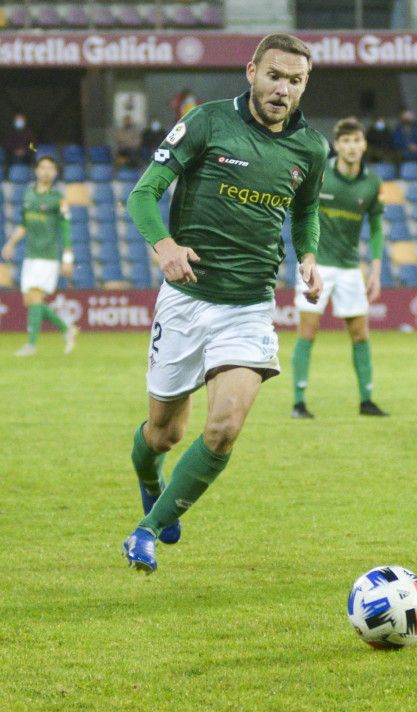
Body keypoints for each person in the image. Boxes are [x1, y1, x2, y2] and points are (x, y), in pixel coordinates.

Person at [120, 33, 328, 574]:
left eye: (296, 80)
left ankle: (144, 532)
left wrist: (308, 255)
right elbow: (142, 194)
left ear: (305, 85)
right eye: (275, 75)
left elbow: (305, 211)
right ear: (252, 70)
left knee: (224, 428)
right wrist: (164, 246)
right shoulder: (208, 122)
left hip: (250, 305)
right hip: (186, 302)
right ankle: (149, 476)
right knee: (164, 433)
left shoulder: (311, 148)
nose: (283, 89)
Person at [291, 117, 387, 419]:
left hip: (349, 268)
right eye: (346, 141)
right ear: (337, 145)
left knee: (360, 333)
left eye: (356, 141)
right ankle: (299, 402)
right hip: (316, 264)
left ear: (364, 144)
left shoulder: (372, 183)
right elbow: (301, 212)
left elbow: (375, 228)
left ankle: (367, 400)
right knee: (308, 331)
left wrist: (376, 270)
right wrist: (306, 257)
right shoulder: (319, 174)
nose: (352, 147)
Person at [1, 156, 79, 356]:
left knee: (35, 296)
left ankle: (31, 344)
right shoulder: (28, 194)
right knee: (31, 300)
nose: (46, 171)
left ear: (55, 173)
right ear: (36, 170)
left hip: (48, 255)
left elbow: (66, 227)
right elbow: (24, 224)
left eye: (50, 168)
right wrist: (11, 242)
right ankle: (67, 328)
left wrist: (68, 256)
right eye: (43, 167)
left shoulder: (58, 199)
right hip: (30, 255)